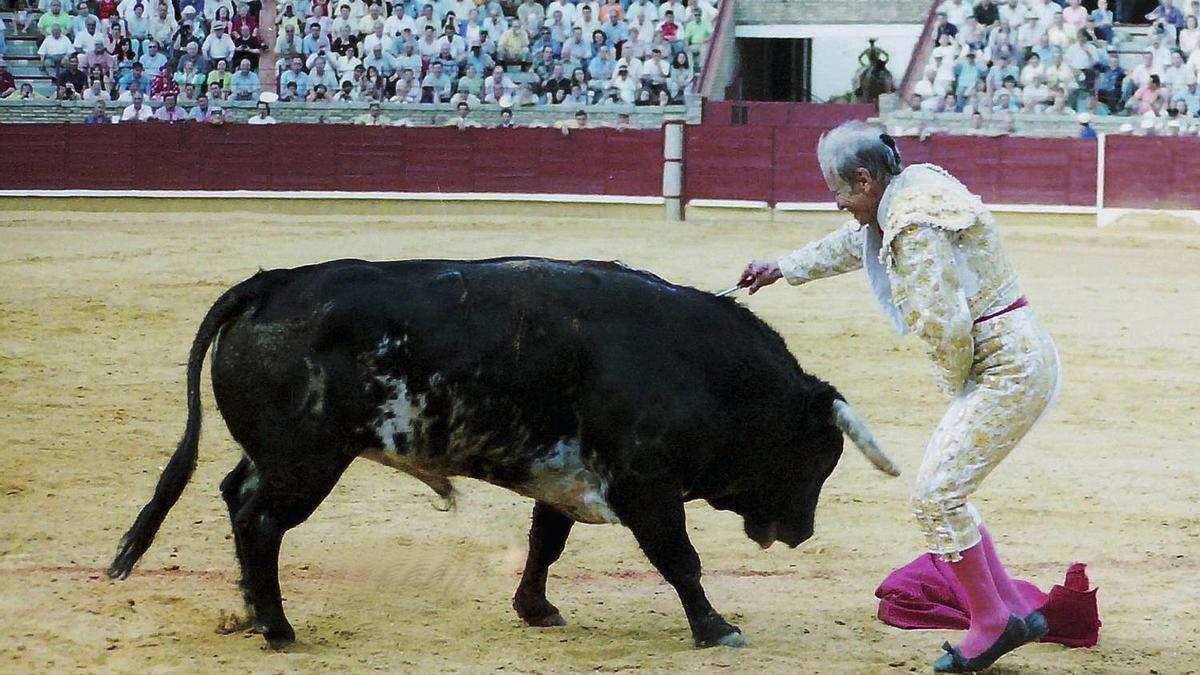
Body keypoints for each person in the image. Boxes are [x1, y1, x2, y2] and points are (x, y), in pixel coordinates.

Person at [738, 122, 1059, 674]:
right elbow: (858, 240)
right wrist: (784, 267)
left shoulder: (912, 224)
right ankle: (1007, 609)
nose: (839, 204)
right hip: (1019, 351)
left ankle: (991, 621)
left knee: (936, 495)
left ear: (865, 180)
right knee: (947, 489)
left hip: (1005, 367)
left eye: (838, 192)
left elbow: (943, 322)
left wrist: (955, 383)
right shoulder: (913, 186)